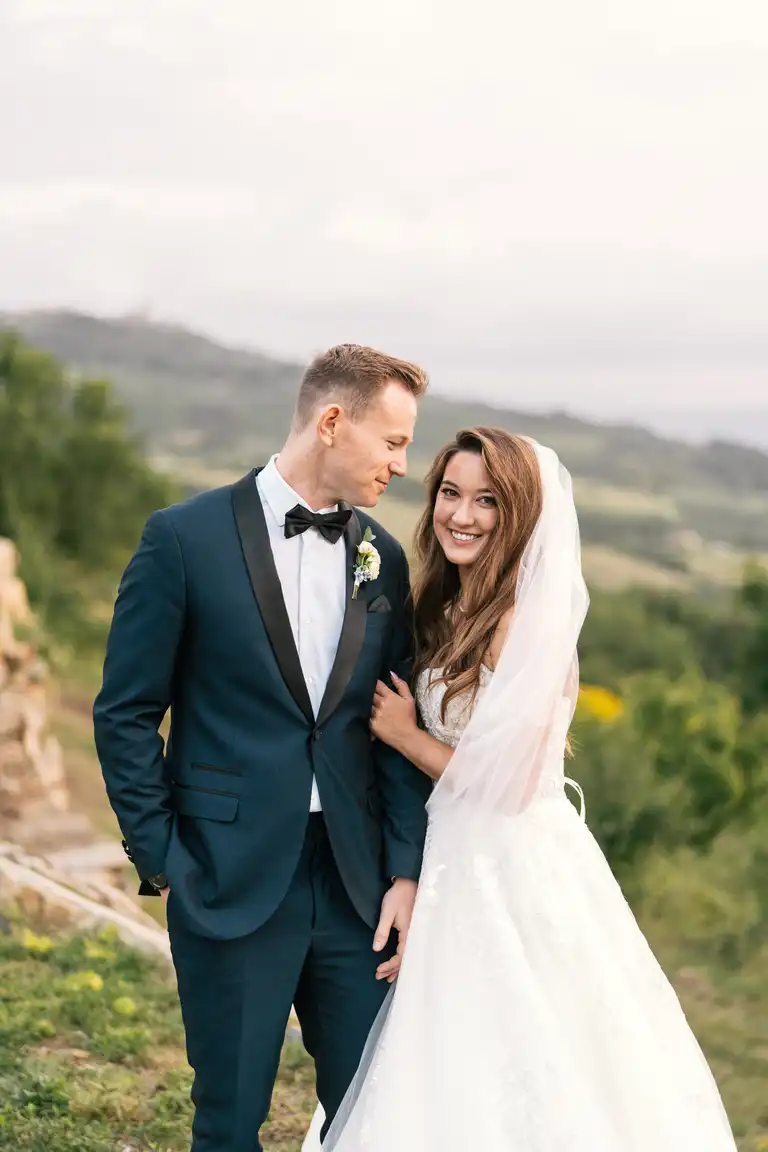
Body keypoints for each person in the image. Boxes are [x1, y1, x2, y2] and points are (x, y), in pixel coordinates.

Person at [305, 426, 737, 1151]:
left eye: (487, 501)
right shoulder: (448, 606)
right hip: (447, 845)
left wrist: (408, 736)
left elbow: (514, 784)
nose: (461, 516)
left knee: (523, 1032)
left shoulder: (519, 623)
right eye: (450, 494)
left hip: (505, 857)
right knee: (437, 1034)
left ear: (521, 515)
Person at [93, 344, 434, 1152]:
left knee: (376, 1116)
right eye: (392, 441)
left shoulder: (382, 561)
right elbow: (126, 712)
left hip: (356, 891)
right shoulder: (182, 539)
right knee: (229, 1122)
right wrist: (166, 859)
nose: (403, 464)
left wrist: (404, 869)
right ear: (331, 423)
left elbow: (390, 729)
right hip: (228, 878)